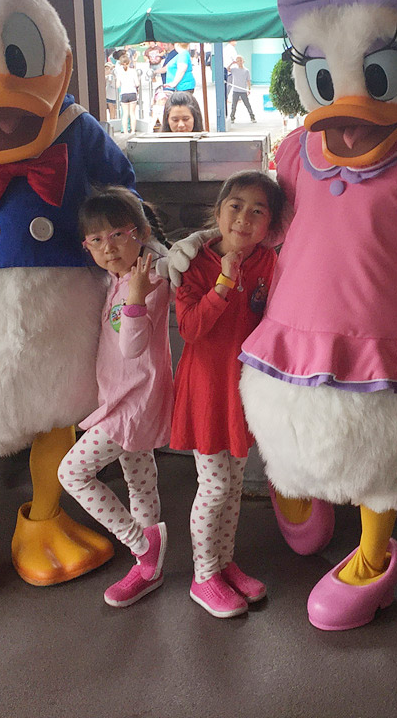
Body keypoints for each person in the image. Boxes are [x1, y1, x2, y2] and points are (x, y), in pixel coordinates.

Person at [171, 171, 283, 618]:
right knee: (215, 485)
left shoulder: (269, 262)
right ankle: (203, 576)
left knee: (234, 485)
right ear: (217, 212)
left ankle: (223, 562)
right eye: (236, 206)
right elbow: (190, 329)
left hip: (245, 388)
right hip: (207, 389)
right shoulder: (192, 264)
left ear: (271, 225)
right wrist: (222, 283)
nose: (244, 218)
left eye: (258, 211)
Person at [58, 188, 174, 609]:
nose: (108, 247)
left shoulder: (149, 278)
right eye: (96, 240)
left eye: (118, 235)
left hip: (134, 401)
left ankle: (141, 545)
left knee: (72, 473)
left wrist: (137, 295)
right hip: (122, 396)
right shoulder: (119, 277)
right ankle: (149, 570)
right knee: (139, 479)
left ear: (140, 233)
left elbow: (132, 346)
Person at [115, 52, 140, 132]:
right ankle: (133, 131)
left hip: (124, 93)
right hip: (132, 93)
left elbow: (117, 85)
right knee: (132, 113)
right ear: (129, 62)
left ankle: (125, 131)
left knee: (125, 114)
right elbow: (137, 83)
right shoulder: (133, 71)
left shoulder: (119, 72)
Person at [227, 56, 255, 122]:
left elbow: (248, 81)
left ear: (243, 61)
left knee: (247, 105)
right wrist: (232, 63)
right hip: (235, 91)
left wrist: (249, 89)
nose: (239, 62)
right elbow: (228, 69)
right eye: (238, 61)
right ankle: (232, 117)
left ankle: (252, 117)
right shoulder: (234, 69)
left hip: (243, 91)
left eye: (240, 60)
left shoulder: (246, 71)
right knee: (234, 105)